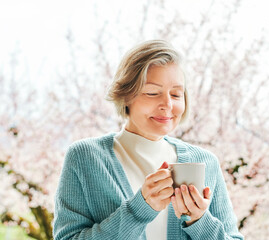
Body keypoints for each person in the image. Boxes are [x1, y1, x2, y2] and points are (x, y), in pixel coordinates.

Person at [53, 40, 244, 240]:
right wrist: (140, 209)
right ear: (126, 95)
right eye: (152, 93)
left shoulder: (205, 162)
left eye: (176, 94)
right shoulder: (86, 157)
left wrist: (199, 221)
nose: (168, 105)